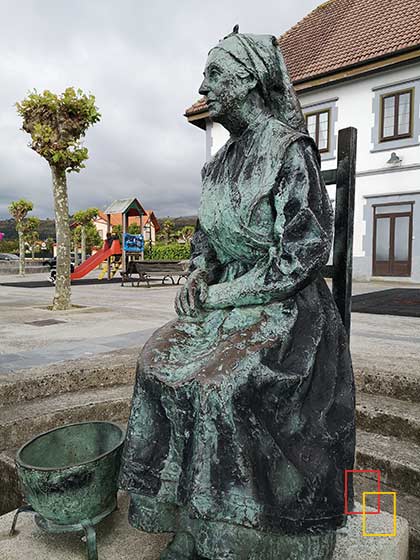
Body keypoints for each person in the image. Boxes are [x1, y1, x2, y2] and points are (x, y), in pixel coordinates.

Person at [119, 30, 355, 560]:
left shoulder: (288, 150)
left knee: (221, 384)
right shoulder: (217, 165)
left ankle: (248, 531)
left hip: (287, 308)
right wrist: (199, 272)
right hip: (228, 302)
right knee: (155, 362)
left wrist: (225, 294)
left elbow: (302, 252)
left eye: (215, 74)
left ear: (248, 79)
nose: (203, 85)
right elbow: (207, 237)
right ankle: (192, 517)